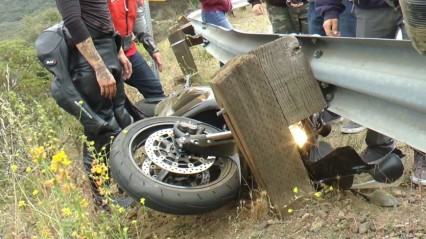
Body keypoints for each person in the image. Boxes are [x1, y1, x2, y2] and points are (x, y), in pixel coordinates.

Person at [316, 0, 426, 185]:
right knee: (372, 75)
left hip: (417, 4)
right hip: (370, 5)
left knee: (422, 73)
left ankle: (423, 150)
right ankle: (380, 145)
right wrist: (329, 9)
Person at [54, 0, 134, 209]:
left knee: (120, 118)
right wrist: (99, 67)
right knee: (101, 129)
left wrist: (118, 52)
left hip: (107, 48)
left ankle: (126, 184)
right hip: (91, 61)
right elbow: (73, 21)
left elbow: (102, 17)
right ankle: (103, 201)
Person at [308, 0, 356, 127]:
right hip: (315, 4)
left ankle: (356, 113)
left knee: (349, 55)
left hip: (344, 4)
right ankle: (332, 109)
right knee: (318, 54)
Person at [108, 0, 165, 99]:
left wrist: (153, 49)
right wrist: (118, 50)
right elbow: (99, 22)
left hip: (128, 50)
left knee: (155, 90)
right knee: (113, 100)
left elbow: (138, 19)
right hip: (105, 53)